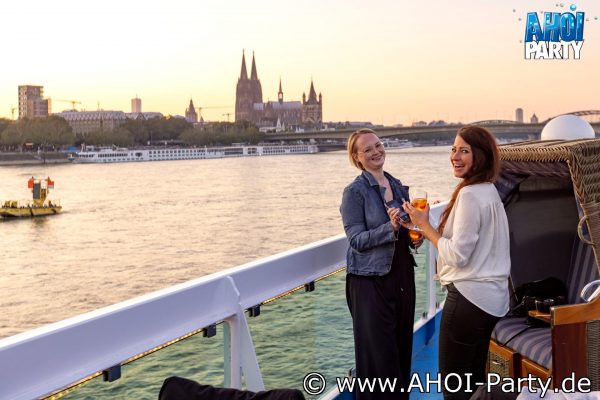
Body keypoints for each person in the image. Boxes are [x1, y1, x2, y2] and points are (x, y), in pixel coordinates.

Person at [402, 125, 510, 400]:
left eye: (464, 151)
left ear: (480, 156)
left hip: (468, 299)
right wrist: (432, 222)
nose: (455, 156)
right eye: (453, 150)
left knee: (454, 388)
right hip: (492, 300)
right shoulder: (488, 190)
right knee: (473, 383)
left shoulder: (470, 195)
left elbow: (457, 256)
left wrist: (425, 226)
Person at [340, 128, 421, 399]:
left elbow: (404, 231)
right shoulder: (354, 192)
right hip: (369, 283)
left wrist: (414, 236)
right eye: (368, 149)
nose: (376, 152)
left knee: (401, 348)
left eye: (378, 145)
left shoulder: (397, 185)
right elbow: (356, 240)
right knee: (378, 360)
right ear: (357, 157)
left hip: (401, 276)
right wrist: (391, 227)